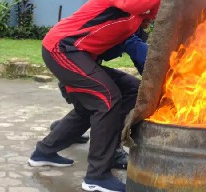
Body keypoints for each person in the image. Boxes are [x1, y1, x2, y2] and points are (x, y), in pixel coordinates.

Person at [28, 0, 175, 192]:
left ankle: (44, 151)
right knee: (107, 100)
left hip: (79, 56)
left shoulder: (139, 10)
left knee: (127, 91)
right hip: (63, 48)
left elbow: (151, 20)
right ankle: (97, 176)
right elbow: (130, 1)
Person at [49, 27, 150, 169]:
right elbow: (142, 57)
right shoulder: (125, 24)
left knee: (92, 105)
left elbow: (139, 59)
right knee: (126, 93)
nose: (150, 20)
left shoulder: (131, 25)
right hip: (74, 78)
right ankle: (112, 150)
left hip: (72, 76)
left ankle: (64, 130)